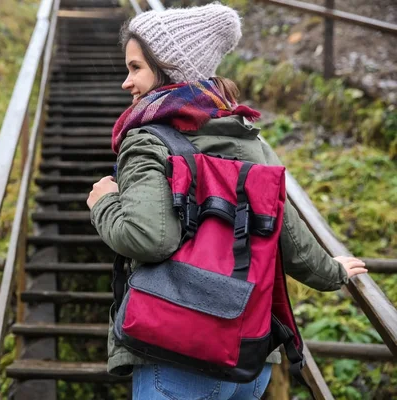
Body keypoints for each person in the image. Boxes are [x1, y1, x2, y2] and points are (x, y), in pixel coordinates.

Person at [86, 3, 368, 400]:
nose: (126, 82)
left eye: (135, 68)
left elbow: (147, 237)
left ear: (169, 69)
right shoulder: (247, 136)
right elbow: (285, 232)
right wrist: (332, 272)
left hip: (177, 352)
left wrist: (105, 202)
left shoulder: (147, 139)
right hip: (247, 358)